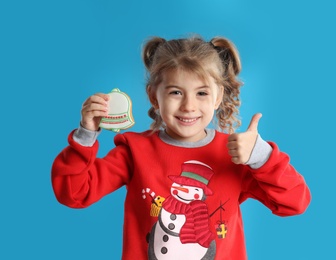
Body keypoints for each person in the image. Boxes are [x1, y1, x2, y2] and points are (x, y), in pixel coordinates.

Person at [51, 35, 311, 260]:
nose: (188, 106)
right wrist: (86, 135)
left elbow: (295, 202)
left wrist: (262, 157)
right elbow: (74, 193)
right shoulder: (134, 150)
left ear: (218, 96)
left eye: (201, 93)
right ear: (154, 95)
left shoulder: (234, 154)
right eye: (176, 92)